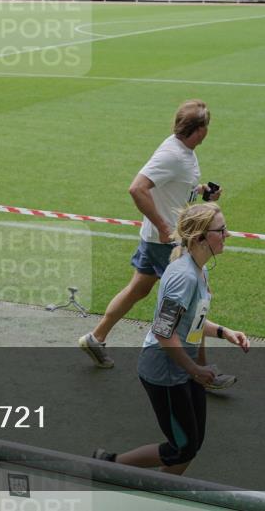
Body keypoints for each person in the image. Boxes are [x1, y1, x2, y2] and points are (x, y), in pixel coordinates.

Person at [93, 202, 250, 474]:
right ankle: (108, 465)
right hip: (164, 372)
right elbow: (163, 332)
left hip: (185, 370)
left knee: (192, 443)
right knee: (182, 446)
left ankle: (160, 493)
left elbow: (191, 320)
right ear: (201, 237)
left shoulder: (201, 270)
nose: (228, 235)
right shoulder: (183, 277)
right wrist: (195, 369)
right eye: (221, 230)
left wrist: (225, 333)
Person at [79, 100, 229, 385]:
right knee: (197, 301)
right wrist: (163, 227)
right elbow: (137, 188)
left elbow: (174, 186)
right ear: (198, 130)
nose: (208, 131)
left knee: (138, 289)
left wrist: (200, 192)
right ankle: (202, 372)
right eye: (206, 126)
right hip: (168, 242)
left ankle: (95, 338)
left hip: (155, 239)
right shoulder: (172, 154)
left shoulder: (183, 150)